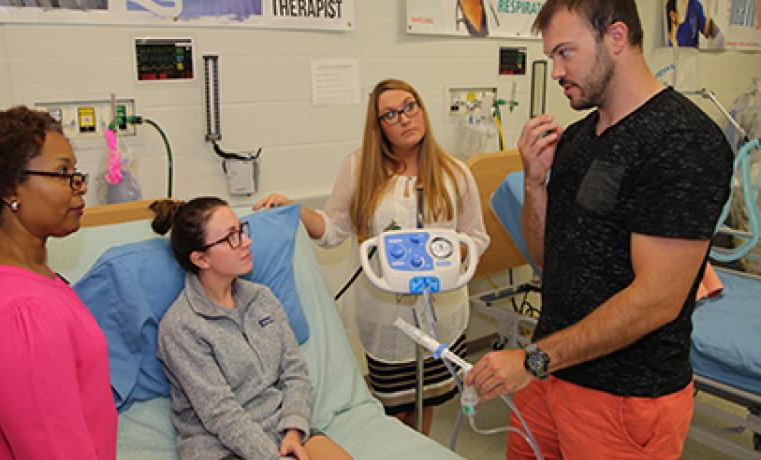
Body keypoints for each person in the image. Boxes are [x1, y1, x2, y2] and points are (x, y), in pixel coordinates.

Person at [465, 1, 733, 458]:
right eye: (551, 57)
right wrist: (534, 184)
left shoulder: (682, 141)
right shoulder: (577, 139)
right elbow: (549, 260)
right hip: (551, 375)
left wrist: (533, 359)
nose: (556, 71)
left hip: (623, 399)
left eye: (565, 53)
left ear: (616, 37)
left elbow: (657, 301)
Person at [255, 79, 490, 434]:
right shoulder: (358, 168)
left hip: (442, 311)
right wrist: (294, 210)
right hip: (385, 316)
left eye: (410, 106)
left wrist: (445, 256)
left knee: (427, 401)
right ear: (378, 126)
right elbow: (332, 230)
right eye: (390, 114)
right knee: (392, 410)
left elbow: (476, 236)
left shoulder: (455, 173)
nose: (405, 118)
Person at [0, 106, 117, 459]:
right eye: (63, 173)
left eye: (76, 172)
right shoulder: (24, 315)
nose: (80, 187)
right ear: (8, 188)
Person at [151, 198, 352, 460]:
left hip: (281, 426)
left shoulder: (261, 298)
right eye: (231, 238)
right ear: (201, 258)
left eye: (241, 230)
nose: (246, 242)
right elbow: (222, 415)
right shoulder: (181, 327)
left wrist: (293, 429)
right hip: (219, 445)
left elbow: (295, 372)